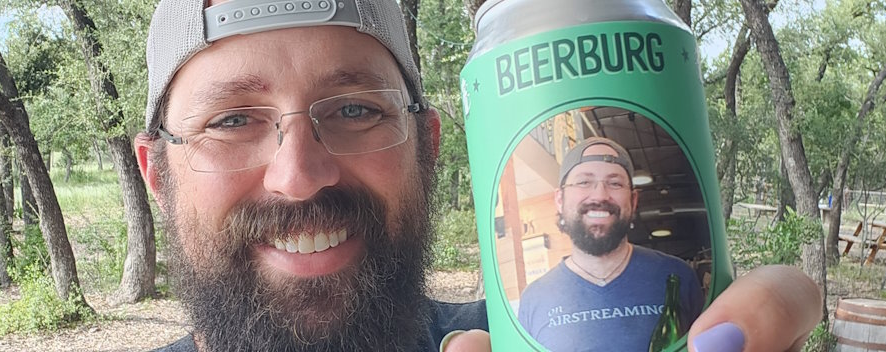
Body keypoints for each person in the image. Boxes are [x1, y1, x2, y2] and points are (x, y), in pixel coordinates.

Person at [133, 0, 822, 351]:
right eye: (230, 120)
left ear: (427, 148)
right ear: (157, 174)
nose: (300, 173)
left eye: (353, 109)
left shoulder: (528, 333)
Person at [517, 137, 704, 351]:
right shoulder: (535, 299)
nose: (600, 195)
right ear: (560, 200)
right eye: (584, 182)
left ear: (633, 200)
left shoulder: (679, 277)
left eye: (614, 183)